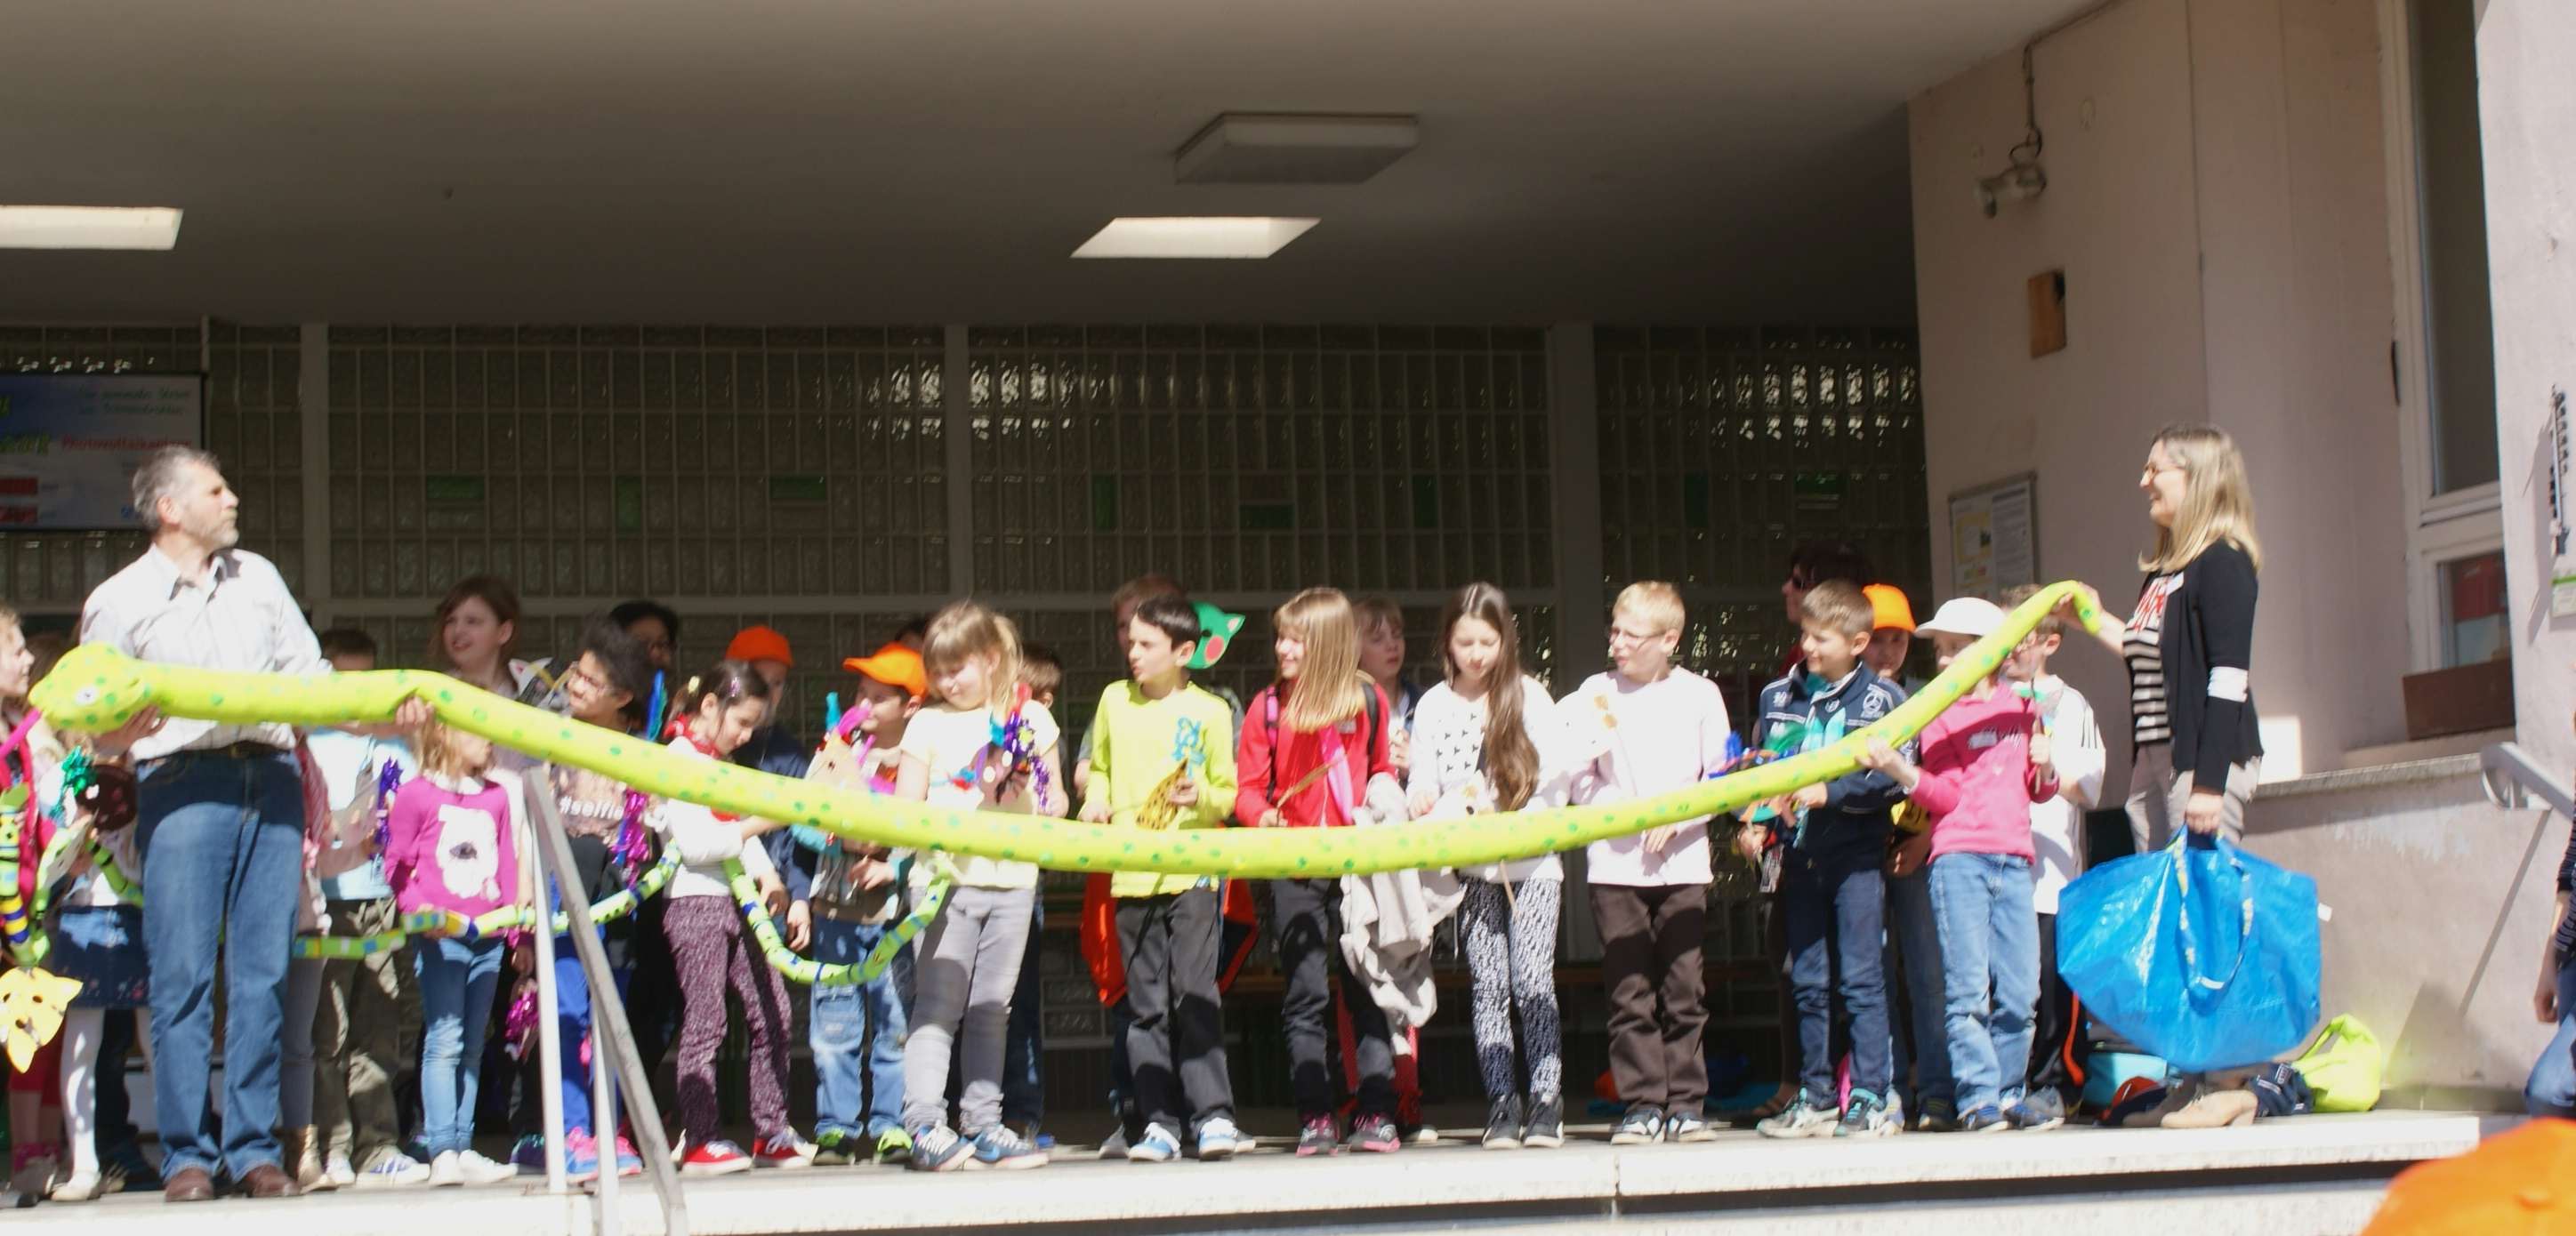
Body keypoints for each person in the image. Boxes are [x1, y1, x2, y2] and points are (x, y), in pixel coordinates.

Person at [80, 445, 423, 1201]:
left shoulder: (259, 578)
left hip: (270, 779)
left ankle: (253, 1148)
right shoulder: (119, 599)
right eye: (216, 490)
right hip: (180, 781)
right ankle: (187, 1156)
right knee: (183, 978)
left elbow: (311, 683)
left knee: (265, 973)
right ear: (169, 508)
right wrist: (116, 735)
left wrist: (384, 715)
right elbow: (91, 723)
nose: (232, 499)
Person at [2056, 423, 2266, 1128]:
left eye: (2157, 469)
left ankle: (2229, 1081)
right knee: (2174, 922)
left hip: (2198, 762)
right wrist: (2088, 618)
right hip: (2155, 762)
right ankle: (2190, 1076)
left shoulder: (2222, 563)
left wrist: (2209, 782)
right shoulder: (2167, 570)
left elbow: (2229, 677)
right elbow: (2148, 653)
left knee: (2206, 918)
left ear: (2196, 477)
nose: (2144, 481)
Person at [1859, 597, 2060, 1134]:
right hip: (1958, 860)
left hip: (2014, 860)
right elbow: (1946, 796)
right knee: (1968, 990)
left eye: (1956, 649)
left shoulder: (2022, 709)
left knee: (2021, 992)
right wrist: (1901, 769)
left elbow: (2039, 789)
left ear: (1990, 652)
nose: (1944, 660)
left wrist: (2047, 766)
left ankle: (2010, 1092)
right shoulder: (1937, 712)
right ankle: (1977, 1098)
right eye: (1941, 650)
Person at [1236, 588, 1408, 1158]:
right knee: (1304, 995)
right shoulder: (1268, 707)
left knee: (1367, 990)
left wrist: (1385, 797)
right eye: (1280, 638)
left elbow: (1381, 771)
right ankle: (1315, 1114)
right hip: (1295, 869)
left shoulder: (1368, 701)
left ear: (1328, 644)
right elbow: (1247, 790)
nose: (1281, 649)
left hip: (1357, 867)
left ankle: (1377, 1110)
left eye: (1295, 640)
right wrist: (1263, 817)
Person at [893, 603, 1066, 1172]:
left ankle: (985, 1125)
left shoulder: (1031, 718)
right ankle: (924, 1125)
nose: (946, 683)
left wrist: (1036, 795)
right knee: (938, 1007)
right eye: (938, 673)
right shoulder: (927, 723)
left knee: (993, 1008)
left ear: (990, 660)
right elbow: (905, 807)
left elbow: (1057, 800)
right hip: (944, 883)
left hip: (1013, 882)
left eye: (957, 670)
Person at [1405, 583, 1574, 1151]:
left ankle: (1547, 1100)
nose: (1476, 655)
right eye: (1465, 643)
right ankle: (1501, 1102)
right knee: (1488, 987)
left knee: (1532, 979)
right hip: (1473, 870)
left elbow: (1556, 777)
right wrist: (1422, 795)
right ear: (1447, 643)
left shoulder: (1528, 696)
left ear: (1506, 641)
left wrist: (1518, 814)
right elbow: (1423, 775)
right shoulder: (1433, 705)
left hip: (1534, 866)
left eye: (1487, 642)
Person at [1564, 582, 1732, 1145]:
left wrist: (1679, 816)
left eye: (1631, 636)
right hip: (1615, 866)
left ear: (1669, 640)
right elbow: (1579, 777)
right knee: (1628, 989)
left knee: (1684, 989)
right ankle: (1641, 1102)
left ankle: (1686, 1101)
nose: (1617, 644)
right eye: (1614, 631)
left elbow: (1722, 779)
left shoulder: (1701, 694)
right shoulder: (1595, 692)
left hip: (1683, 866)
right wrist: (1623, 810)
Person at [1080, 595, 1242, 1163]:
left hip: (1193, 872)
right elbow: (1099, 769)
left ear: (1183, 652)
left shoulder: (1212, 712)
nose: (1134, 653)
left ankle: (1214, 1116)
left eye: (1147, 645)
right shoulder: (1113, 700)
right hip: (1131, 875)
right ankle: (1158, 1123)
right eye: (1132, 642)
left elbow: (1228, 792)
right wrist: (1095, 802)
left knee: (1194, 994)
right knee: (1145, 1006)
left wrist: (1204, 797)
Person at [1747, 580, 1908, 1139]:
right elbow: (1764, 767)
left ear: (1858, 643)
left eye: (1821, 638)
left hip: (1857, 859)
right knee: (1806, 979)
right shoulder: (1777, 695)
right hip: (1799, 859)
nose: (1808, 647)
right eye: (1805, 635)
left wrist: (1830, 793)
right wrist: (1757, 822)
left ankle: (1871, 1095)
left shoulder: (1884, 700)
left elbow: (1895, 780)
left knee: (1862, 979)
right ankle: (1814, 1095)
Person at [651, 662, 809, 1176]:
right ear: (710, 706)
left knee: (774, 1013)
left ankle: (772, 1129)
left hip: (741, 903)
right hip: (695, 903)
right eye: (742, 723)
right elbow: (695, 845)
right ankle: (700, 1138)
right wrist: (758, 825)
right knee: (706, 1022)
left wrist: (770, 876)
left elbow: (736, 828)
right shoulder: (677, 757)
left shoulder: (721, 761)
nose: (745, 736)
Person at [302, 629, 433, 1190]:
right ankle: (331, 1144)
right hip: (323, 901)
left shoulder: (393, 739)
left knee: (380, 1026)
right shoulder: (306, 733)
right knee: (327, 1029)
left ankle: (378, 1143)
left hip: (382, 897)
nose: (354, 691)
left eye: (365, 680)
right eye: (342, 680)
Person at [384, 719, 535, 1186]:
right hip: (441, 938)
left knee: (473, 1043)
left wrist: (517, 934)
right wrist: (419, 911)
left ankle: (463, 1144)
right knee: (444, 1040)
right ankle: (441, 1147)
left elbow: (506, 863)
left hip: (489, 936)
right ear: (444, 733)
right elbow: (396, 866)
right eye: (477, 728)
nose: (490, 738)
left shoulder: (497, 796)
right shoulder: (416, 794)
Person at [534, 620, 657, 1182]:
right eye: (575, 674)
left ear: (623, 696)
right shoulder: (549, 736)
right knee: (567, 1009)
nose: (576, 686)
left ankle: (607, 1126)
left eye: (591, 681)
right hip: (563, 883)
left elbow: (654, 826)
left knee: (612, 1014)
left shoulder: (641, 751)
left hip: (620, 891)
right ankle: (570, 1131)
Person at [806, 643, 927, 1167]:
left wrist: (891, 865)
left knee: (895, 1021)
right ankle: (835, 1127)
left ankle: (891, 1125)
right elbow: (802, 820)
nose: (865, 705)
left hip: (895, 914)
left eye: (880, 697)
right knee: (833, 1020)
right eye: (862, 693)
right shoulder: (837, 749)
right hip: (835, 907)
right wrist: (838, 839)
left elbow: (929, 833)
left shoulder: (920, 762)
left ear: (910, 706)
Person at [1999, 582, 2105, 1116]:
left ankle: (2057, 1084)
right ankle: (2003, 1086)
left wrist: (2048, 765)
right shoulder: (1984, 697)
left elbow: (2091, 785)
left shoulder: (2072, 704)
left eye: (2025, 635)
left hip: (2050, 875)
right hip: (1994, 865)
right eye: (2006, 633)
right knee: (2001, 984)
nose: (2012, 645)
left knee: (2051, 984)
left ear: (2050, 643)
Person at [431, 575, 552, 709]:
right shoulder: (432, 694)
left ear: (504, 632)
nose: (458, 630)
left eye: (472, 621)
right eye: (450, 621)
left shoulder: (532, 697)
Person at [1861, 584, 1920, 689]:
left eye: (1897, 639)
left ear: (1908, 638)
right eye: (1875, 640)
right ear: (1856, 642)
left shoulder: (1929, 692)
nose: (1888, 652)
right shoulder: (1836, 695)